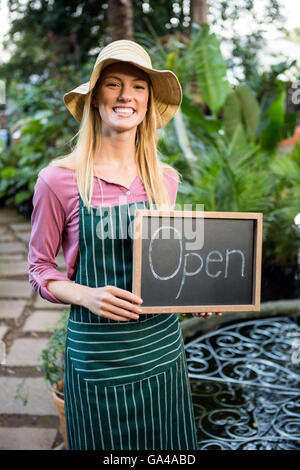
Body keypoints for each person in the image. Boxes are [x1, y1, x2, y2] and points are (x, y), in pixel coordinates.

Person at [28, 39, 221, 451]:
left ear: (148, 102)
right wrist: (87, 295)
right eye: (113, 84)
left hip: (161, 354)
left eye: (138, 86)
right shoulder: (58, 180)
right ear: (96, 97)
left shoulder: (164, 179)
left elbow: (163, 265)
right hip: (98, 358)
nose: (126, 95)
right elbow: (40, 269)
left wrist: (193, 296)